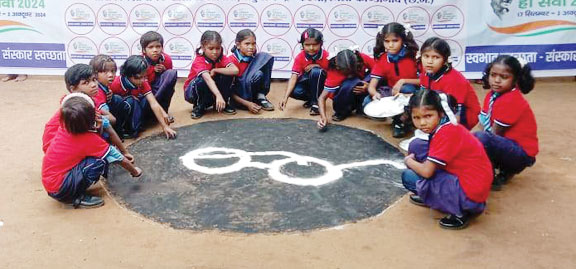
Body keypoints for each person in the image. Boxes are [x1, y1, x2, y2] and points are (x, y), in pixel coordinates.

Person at [402, 89, 492, 230]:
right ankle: (436, 197)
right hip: (471, 182)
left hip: (472, 195)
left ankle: (460, 212)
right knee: (416, 146)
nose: (422, 123)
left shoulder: (445, 133)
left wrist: (409, 161)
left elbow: (427, 172)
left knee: (409, 177)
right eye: (416, 118)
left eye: (428, 116)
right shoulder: (445, 127)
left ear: (441, 113)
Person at [42, 94, 142, 208]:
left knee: (95, 155)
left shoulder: (65, 126)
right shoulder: (88, 139)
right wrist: (135, 171)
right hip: (59, 188)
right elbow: (118, 158)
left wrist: (98, 128)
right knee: (99, 162)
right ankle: (74, 197)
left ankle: (71, 191)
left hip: (52, 182)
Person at [42, 64, 134, 163]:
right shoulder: (78, 109)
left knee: (102, 127)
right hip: (56, 152)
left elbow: (111, 120)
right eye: (86, 83)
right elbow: (110, 121)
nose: (94, 85)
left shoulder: (87, 100)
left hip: (63, 146)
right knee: (97, 155)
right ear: (73, 89)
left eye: (94, 80)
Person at [474, 55, 538, 191]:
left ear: (515, 79)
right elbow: (482, 124)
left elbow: (494, 134)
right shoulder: (492, 95)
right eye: (493, 75)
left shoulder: (512, 99)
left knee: (482, 140)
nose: (496, 80)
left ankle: (491, 175)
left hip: (521, 153)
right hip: (506, 145)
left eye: (504, 77)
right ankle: (499, 170)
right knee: (476, 138)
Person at [365, 22, 420, 138]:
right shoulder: (383, 59)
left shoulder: (414, 57)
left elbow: (425, 81)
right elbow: (371, 86)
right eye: (387, 41)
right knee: (367, 102)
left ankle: (400, 123)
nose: (390, 45)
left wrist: (403, 81)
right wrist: (375, 94)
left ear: (403, 40)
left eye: (395, 41)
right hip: (393, 92)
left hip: (412, 92)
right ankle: (403, 116)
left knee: (406, 89)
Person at [419, 37, 480, 130]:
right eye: (426, 56)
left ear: (445, 60)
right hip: (441, 106)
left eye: (436, 57)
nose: (429, 61)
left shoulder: (454, 80)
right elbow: (422, 95)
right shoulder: (426, 72)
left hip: (465, 114)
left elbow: (456, 114)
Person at [110, 55, 177, 139]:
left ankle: (137, 124)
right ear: (128, 75)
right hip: (118, 113)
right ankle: (123, 130)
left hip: (132, 110)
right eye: (138, 77)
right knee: (127, 101)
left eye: (144, 76)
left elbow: (154, 103)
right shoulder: (115, 84)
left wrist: (165, 126)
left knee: (145, 99)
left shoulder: (143, 82)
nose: (142, 80)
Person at [183, 30, 239, 119]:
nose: (215, 52)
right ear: (203, 47)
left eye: (218, 48)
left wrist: (216, 70)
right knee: (202, 79)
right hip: (192, 93)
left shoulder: (222, 58)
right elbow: (207, 78)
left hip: (210, 91)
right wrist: (218, 95)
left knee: (227, 74)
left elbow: (235, 70)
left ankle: (222, 103)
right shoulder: (199, 60)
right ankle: (199, 106)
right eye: (211, 48)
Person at [317, 49, 374, 129]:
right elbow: (322, 98)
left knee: (374, 77)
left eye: (352, 71)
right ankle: (342, 111)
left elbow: (379, 70)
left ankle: (360, 107)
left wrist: (369, 86)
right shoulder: (333, 72)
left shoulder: (361, 57)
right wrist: (323, 117)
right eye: (346, 72)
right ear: (338, 67)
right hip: (342, 97)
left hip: (363, 87)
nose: (350, 75)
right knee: (350, 83)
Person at [279, 28, 329, 115]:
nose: (311, 48)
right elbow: (294, 77)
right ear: (302, 45)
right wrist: (285, 98)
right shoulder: (300, 57)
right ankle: (312, 99)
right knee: (294, 91)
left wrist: (318, 66)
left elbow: (332, 76)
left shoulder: (327, 56)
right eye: (307, 44)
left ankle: (315, 104)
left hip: (323, 87)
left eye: (315, 44)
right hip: (308, 84)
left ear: (321, 44)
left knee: (316, 72)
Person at [229, 29, 275, 113]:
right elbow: (229, 90)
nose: (251, 47)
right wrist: (247, 104)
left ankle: (260, 96)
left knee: (264, 57)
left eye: (254, 44)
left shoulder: (254, 57)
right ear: (238, 45)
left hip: (249, 90)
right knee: (257, 73)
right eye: (247, 44)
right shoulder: (231, 61)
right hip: (239, 96)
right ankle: (249, 100)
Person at [89, 55, 131, 137]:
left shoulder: (105, 86)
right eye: (105, 72)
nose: (111, 75)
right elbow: (109, 118)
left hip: (100, 116)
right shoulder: (96, 91)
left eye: (113, 71)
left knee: (117, 99)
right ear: (95, 74)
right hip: (96, 121)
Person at [140, 31, 177, 114]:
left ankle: (163, 110)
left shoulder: (166, 59)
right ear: (143, 50)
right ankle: (151, 110)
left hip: (159, 88)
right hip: (144, 92)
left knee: (171, 73)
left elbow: (168, 82)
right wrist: (152, 70)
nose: (155, 50)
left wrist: (164, 71)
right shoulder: (139, 62)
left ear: (162, 47)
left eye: (158, 46)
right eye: (151, 47)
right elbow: (139, 83)